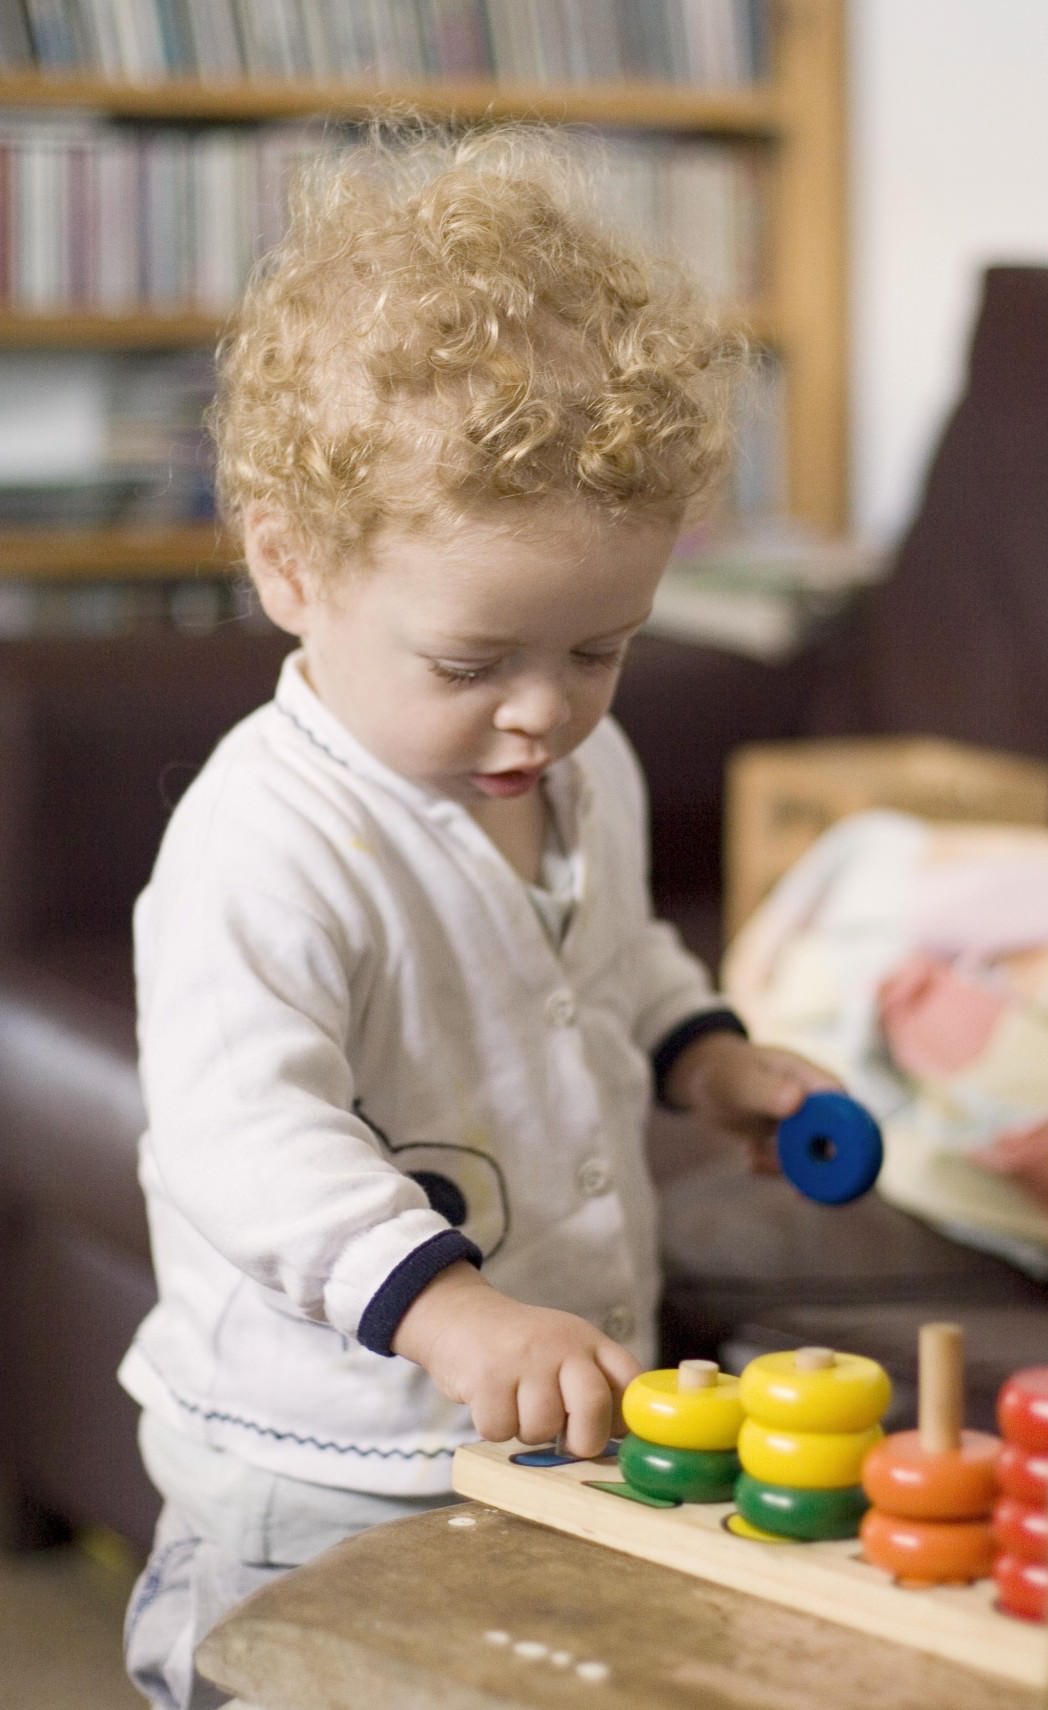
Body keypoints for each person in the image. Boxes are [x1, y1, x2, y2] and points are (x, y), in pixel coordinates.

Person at [120, 116, 836, 1709]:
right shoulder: (267, 841)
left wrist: (705, 1055)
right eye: (473, 665)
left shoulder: (589, 771)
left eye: (600, 649)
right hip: (321, 1470)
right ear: (294, 570)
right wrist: (443, 1310)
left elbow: (615, 954)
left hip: (545, 1431)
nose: (542, 716)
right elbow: (249, 1137)